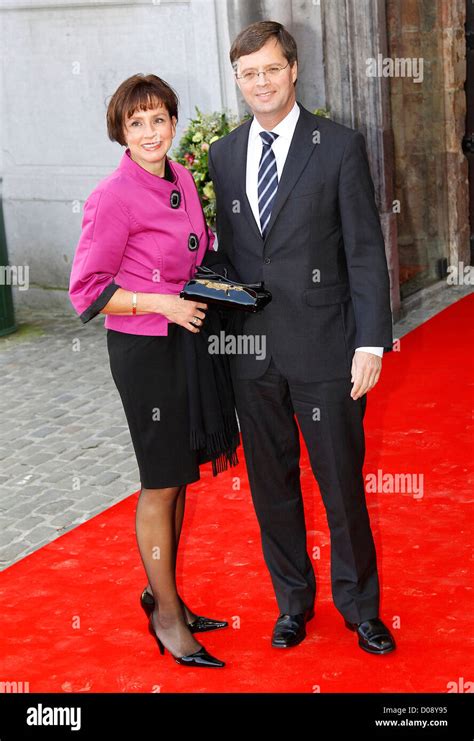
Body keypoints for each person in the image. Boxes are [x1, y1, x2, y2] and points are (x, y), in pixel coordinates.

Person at [203, 21, 397, 655]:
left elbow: (366, 252)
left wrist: (371, 342)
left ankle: (360, 607)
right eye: (248, 73)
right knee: (272, 487)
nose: (260, 82)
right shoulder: (225, 155)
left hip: (328, 348)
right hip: (251, 355)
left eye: (270, 69)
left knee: (341, 484)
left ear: (292, 70)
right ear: (238, 81)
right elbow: (234, 255)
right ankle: (293, 603)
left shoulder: (338, 146)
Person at [69, 73, 235, 668]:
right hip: (145, 351)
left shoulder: (182, 178)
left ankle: (166, 594)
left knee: (179, 473)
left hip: (186, 343)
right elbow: (86, 292)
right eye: (135, 122)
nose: (148, 131)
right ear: (120, 131)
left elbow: (194, 249)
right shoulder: (111, 197)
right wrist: (159, 301)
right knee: (160, 480)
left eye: (158, 119)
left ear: (172, 122)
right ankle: (165, 616)